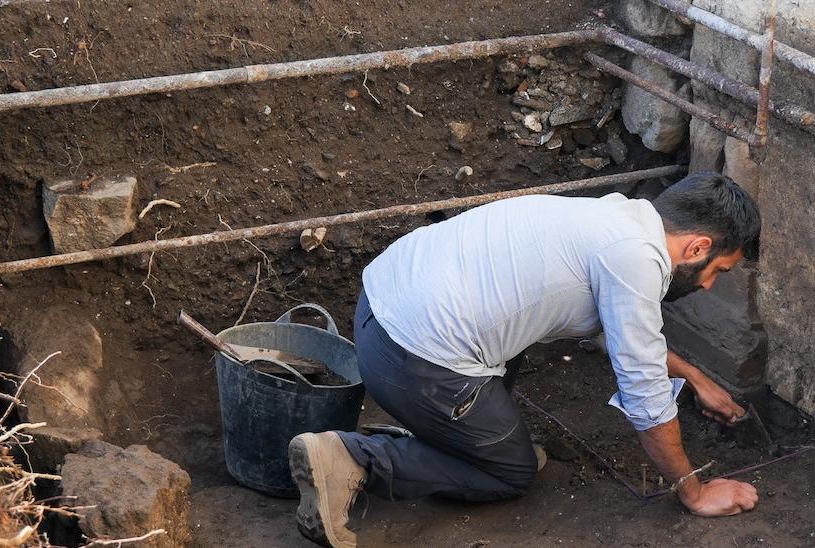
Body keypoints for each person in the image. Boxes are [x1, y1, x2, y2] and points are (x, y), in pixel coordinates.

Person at [288, 172, 762, 547]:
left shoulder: (618, 219)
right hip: (413, 358)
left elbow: (620, 334)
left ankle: (449, 436)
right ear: (698, 247)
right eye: (717, 271)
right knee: (510, 472)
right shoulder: (636, 259)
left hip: (380, 310)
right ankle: (353, 459)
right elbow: (643, 391)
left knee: (511, 341)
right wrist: (694, 491)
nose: (707, 285)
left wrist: (696, 378)